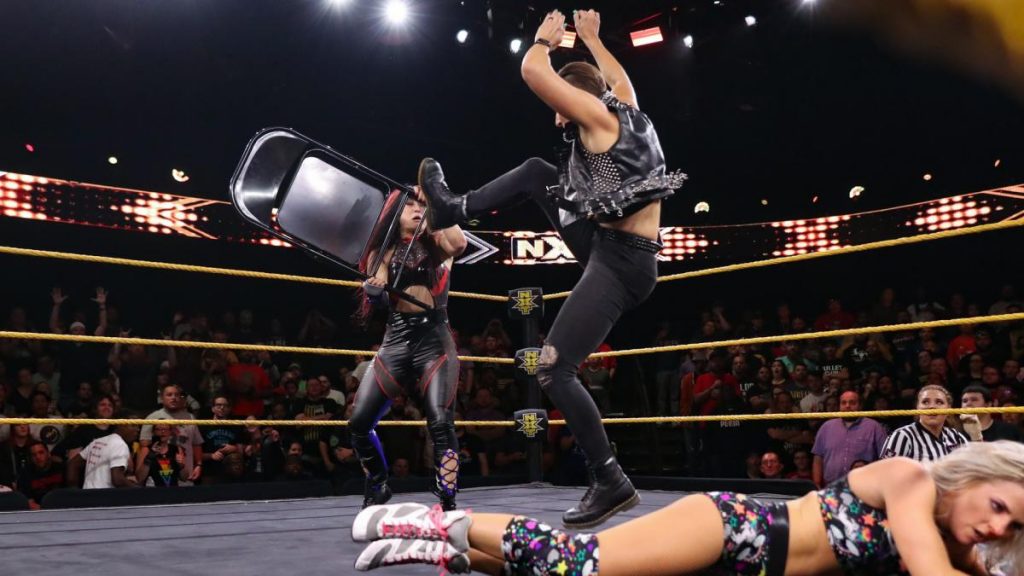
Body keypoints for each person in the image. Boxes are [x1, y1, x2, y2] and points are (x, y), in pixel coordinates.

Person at [417, 9, 685, 528]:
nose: (559, 121)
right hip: (610, 246)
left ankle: (609, 478)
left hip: (621, 263)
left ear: (581, 101)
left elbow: (532, 73)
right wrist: (591, 39)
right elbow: (622, 79)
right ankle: (454, 207)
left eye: (565, 110)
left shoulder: (598, 120)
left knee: (552, 368)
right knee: (540, 173)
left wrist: (545, 42)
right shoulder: (627, 111)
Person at [351, 441, 1024, 575]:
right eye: (999, 505)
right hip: (735, 532)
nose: (997, 528)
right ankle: (437, 518)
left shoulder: (961, 554)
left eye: (1014, 527)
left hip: (744, 570)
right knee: (575, 564)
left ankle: (448, 553)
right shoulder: (910, 480)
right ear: (974, 475)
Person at [349, 187, 467, 511]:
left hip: (434, 341)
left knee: (441, 422)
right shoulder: (382, 253)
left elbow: (460, 243)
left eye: (421, 206)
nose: (417, 209)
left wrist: (435, 198)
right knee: (359, 423)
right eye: (410, 205)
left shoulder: (439, 244)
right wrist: (373, 293)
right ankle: (377, 483)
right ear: (396, 212)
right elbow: (382, 294)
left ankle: (448, 497)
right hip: (396, 340)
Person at [881, 384, 971, 461]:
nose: (932, 406)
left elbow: (975, 469)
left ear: (949, 409)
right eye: (925, 402)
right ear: (917, 408)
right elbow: (886, 474)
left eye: (939, 402)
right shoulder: (903, 436)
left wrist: (976, 436)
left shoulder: (955, 436)